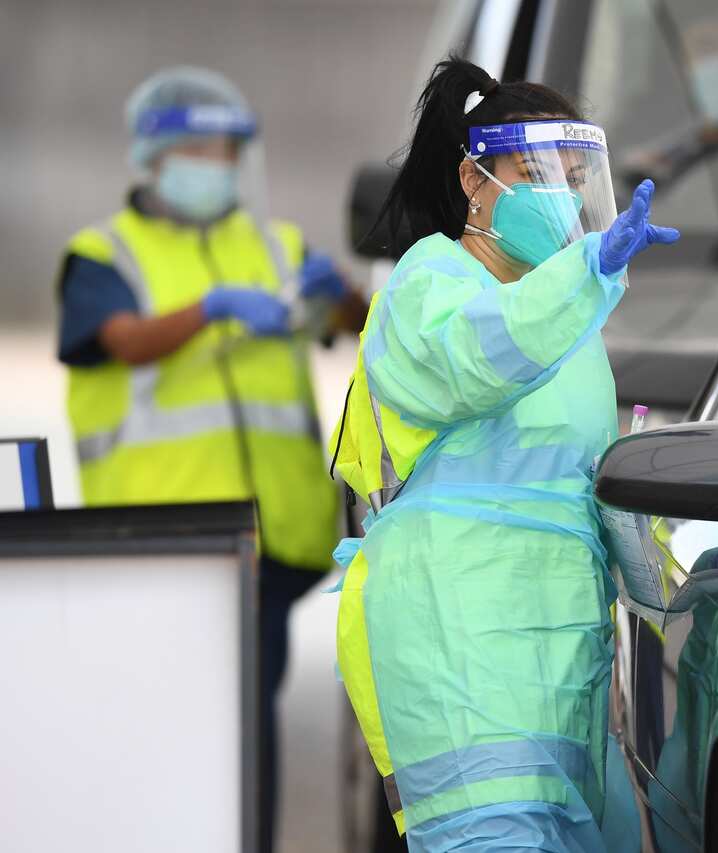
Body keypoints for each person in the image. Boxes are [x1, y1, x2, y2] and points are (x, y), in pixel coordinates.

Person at [329, 57, 679, 852]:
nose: (560, 192)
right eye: (535, 172)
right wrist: (588, 273)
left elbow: (591, 492)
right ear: (474, 179)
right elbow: (478, 360)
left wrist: (688, 560)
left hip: (560, 677)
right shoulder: (430, 284)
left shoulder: (574, 326)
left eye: (574, 174)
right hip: (461, 658)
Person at [54, 66, 365, 853]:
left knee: (240, 733)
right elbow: (118, 341)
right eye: (197, 148)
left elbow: (360, 324)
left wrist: (346, 292)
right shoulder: (103, 255)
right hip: (167, 535)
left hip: (271, 542)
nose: (216, 165)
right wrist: (212, 308)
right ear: (151, 159)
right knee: (191, 737)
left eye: (227, 150)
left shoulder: (274, 243)